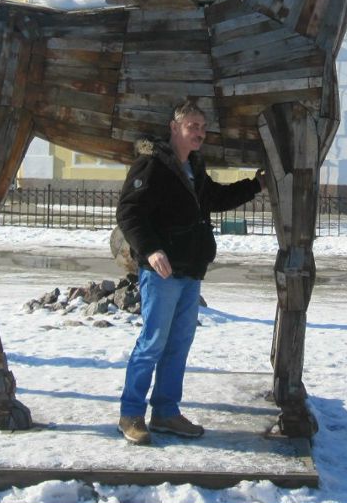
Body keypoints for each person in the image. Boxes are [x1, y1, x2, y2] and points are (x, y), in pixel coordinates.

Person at [116, 99, 263, 445]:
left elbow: (215, 198)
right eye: (192, 126)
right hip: (163, 274)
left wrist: (255, 185)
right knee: (152, 343)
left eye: (202, 126)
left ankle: (166, 412)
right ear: (174, 127)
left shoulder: (194, 166)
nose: (199, 132)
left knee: (179, 343)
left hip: (190, 271)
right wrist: (151, 250)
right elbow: (129, 212)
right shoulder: (152, 165)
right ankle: (131, 413)